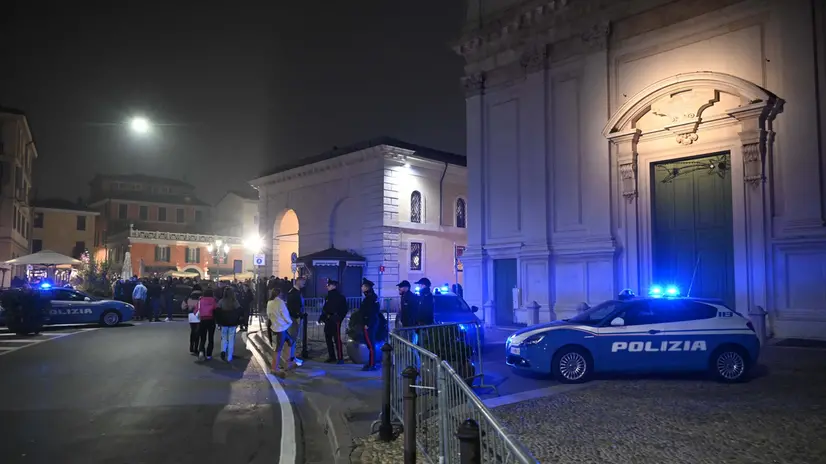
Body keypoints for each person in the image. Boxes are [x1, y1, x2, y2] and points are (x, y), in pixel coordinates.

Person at [320, 279, 348, 364]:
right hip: (328, 319)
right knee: (328, 338)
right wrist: (322, 317)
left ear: (334, 286)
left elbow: (344, 309)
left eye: (329, 285)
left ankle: (340, 358)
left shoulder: (340, 297)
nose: (327, 286)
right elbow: (325, 308)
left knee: (337, 339)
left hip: (335, 320)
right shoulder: (328, 296)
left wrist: (339, 318)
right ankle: (332, 356)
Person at [267, 288, 292, 378]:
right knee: (279, 347)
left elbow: (268, 314)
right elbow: (284, 314)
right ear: (279, 294)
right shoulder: (280, 302)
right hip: (281, 327)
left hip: (276, 326)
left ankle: (287, 363)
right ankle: (275, 367)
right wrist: (289, 322)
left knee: (290, 341)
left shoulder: (269, 302)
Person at [285, 277, 306, 368]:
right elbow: (292, 307)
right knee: (292, 338)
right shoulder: (293, 293)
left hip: (295, 317)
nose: (304, 284)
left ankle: (292, 357)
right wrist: (298, 315)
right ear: (298, 282)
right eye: (303, 282)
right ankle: (290, 358)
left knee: (294, 338)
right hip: (294, 318)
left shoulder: (296, 292)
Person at [216, 287, 241, 362]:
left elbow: (217, 311)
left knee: (224, 338)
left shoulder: (221, 301)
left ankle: (223, 350)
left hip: (224, 322)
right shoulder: (234, 301)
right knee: (231, 339)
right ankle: (229, 356)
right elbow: (239, 310)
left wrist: (218, 322)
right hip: (232, 322)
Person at [359, 278, 380, 371]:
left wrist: (367, 323)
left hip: (369, 324)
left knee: (371, 345)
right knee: (369, 344)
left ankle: (372, 364)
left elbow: (372, 312)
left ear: (367, 287)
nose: (361, 287)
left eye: (363, 286)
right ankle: (370, 362)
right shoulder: (369, 297)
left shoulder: (371, 298)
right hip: (368, 323)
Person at [196, 288, 218, 361]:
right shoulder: (214, 300)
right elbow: (216, 309)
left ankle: (201, 351)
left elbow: (195, 310)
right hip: (211, 320)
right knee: (211, 338)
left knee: (202, 338)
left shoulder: (200, 300)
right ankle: (209, 354)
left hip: (202, 320)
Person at [183, 284, 203, 354]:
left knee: (193, 331)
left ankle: (191, 346)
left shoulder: (188, 297)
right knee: (198, 332)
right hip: (199, 315)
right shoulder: (202, 297)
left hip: (191, 315)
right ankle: (196, 348)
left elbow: (183, 307)